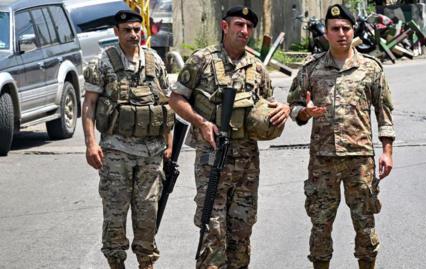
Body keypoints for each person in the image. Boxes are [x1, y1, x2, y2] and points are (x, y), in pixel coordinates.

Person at [168, 6, 290, 269]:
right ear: (225, 26)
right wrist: (200, 122)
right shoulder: (202, 60)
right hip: (212, 160)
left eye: (248, 26)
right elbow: (176, 98)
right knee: (213, 232)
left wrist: (282, 110)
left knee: (241, 234)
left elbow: (267, 105)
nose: (244, 31)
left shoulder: (257, 68)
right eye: (238, 25)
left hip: (247, 164)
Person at [287, 4, 395, 269]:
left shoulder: (371, 68)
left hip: (360, 161)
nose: (341, 33)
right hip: (322, 162)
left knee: (365, 226)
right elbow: (293, 106)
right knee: (320, 227)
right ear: (326, 32)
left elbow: (384, 113)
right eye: (335, 29)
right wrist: (305, 112)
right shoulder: (311, 69)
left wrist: (387, 152)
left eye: (346, 28)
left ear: (353, 30)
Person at [82, 10, 174, 269]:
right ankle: (116, 264)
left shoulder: (155, 60)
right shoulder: (103, 63)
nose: (134, 35)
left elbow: (166, 101)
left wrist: (169, 142)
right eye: (127, 30)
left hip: (151, 154)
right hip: (116, 151)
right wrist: (91, 143)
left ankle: (147, 264)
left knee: (148, 217)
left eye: (137, 29)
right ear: (116, 32)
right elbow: (89, 104)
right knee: (115, 216)